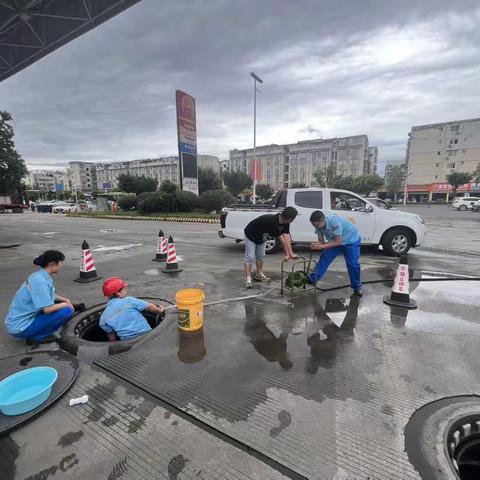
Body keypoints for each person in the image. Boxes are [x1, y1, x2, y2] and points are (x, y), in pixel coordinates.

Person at [5, 250, 74, 343]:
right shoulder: (40, 282)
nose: (62, 265)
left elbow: (50, 295)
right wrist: (66, 304)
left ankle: (37, 331)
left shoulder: (39, 275)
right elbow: (47, 309)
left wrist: (65, 300)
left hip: (18, 320)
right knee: (67, 311)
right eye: (61, 262)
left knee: (60, 305)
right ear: (52, 263)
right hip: (20, 327)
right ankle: (37, 337)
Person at [309, 210, 362, 296]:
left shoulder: (334, 221)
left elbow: (338, 242)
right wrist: (316, 245)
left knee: (353, 264)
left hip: (351, 240)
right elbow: (321, 241)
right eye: (314, 225)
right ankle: (312, 279)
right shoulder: (317, 225)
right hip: (337, 241)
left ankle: (357, 287)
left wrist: (321, 246)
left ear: (323, 220)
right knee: (325, 257)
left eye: (317, 225)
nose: (316, 227)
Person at [243, 206, 298, 288]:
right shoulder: (272, 222)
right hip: (251, 234)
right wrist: (286, 255)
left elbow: (286, 238)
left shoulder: (286, 223)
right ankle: (247, 279)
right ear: (290, 218)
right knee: (250, 257)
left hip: (261, 237)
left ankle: (259, 275)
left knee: (261, 256)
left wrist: (291, 254)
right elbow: (282, 240)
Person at [99, 277, 164, 341]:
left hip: (129, 343)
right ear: (118, 292)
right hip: (146, 335)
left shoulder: (103, 318)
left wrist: (115, 344)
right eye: (124, 289)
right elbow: (150, 307)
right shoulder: (129, 300)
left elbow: (111, 334)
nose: (126, 291)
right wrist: (160, 311)